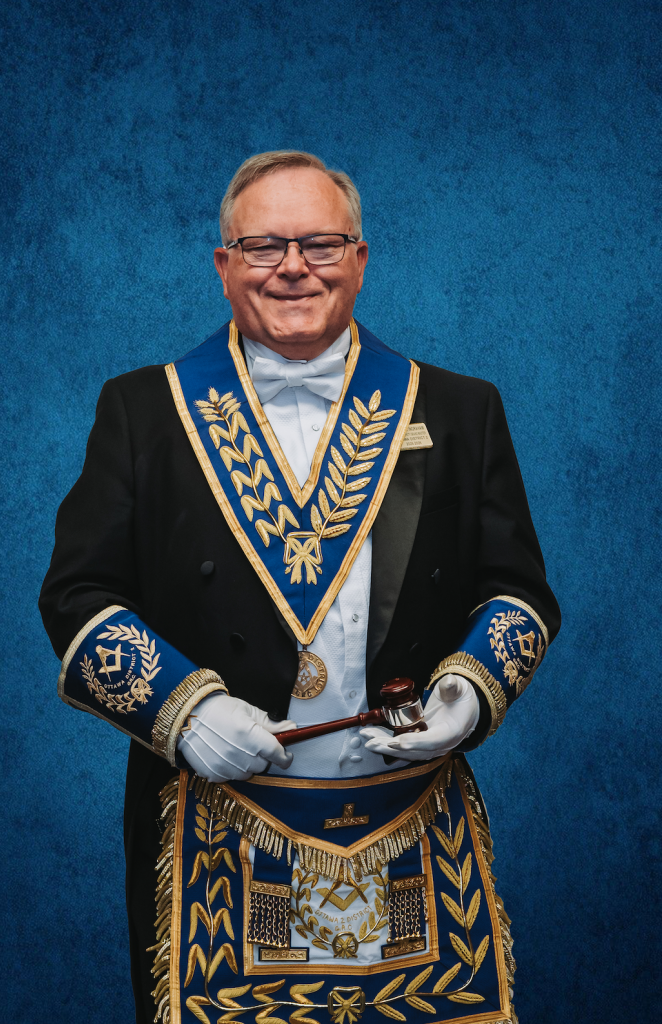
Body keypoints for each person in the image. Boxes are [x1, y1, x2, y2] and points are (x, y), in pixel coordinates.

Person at [40, 151, 560, 1024]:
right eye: (263, 245)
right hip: (218, 822)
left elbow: (518, 593)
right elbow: (78, 595)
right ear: (224, 265)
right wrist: (186, 713)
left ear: (359, 259)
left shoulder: (463, 409)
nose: (292, 267)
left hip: (411, 815)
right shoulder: (142, 411)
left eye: (320, 244)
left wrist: (470, 692)